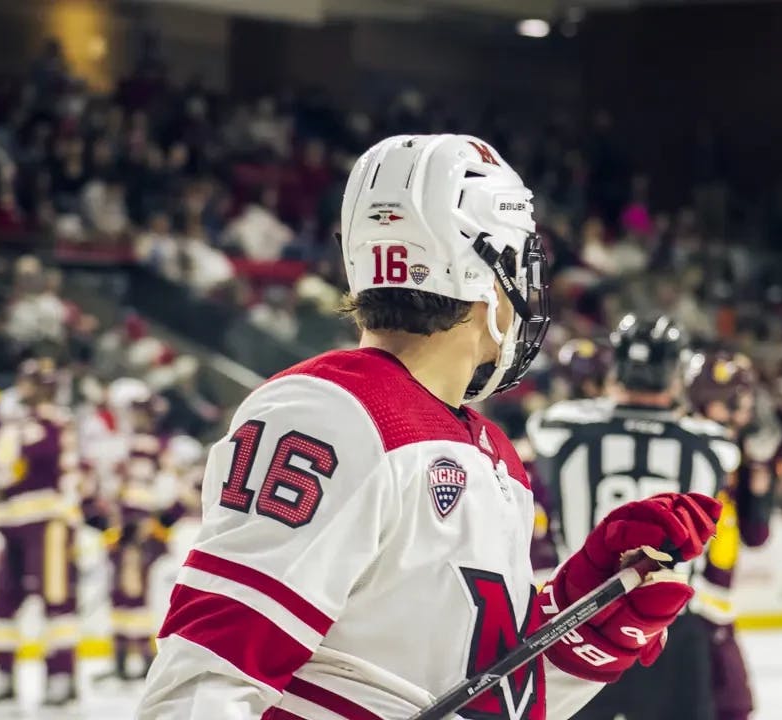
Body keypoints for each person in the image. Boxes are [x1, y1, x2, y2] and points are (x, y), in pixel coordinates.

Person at [137, 134, 721, 720]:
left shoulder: (488, 450)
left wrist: (581, 627)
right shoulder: (328, 414)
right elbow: (203, 682)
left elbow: (483, 697)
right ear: (486, 281)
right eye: (520, 265)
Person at [527, 314, 740, 720]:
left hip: (583, 618)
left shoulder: (559, 425)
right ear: (675, 374)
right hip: (671, 623)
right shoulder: (712, 442)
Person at [684, 351, 782, 720]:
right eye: (739, 402)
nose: (746, 413)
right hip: (681, 607)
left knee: (733, 707)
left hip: (715, 610)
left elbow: (755, 535)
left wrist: (760, 483)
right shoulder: (681, 447)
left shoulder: (738, 454)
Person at [0, 358, 83, 706]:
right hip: (9, 523)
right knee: (4, 600)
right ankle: (4, 676)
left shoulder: (58, 423)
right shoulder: (11, 425)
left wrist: (67, 520)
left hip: (47, 522)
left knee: (56, 598)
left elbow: (66, 472)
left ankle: (61, 675)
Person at [86, 377, 202, 682]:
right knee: (120, 593)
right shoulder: (120, 447)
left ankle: (148, 658)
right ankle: (122, 658)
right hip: (121, 529)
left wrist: (157, 523)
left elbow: (181, 491)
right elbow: (108, 490)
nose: (135, 417)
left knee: (143, 594)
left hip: (147, 531)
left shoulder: (165, 447)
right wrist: (105, 520)